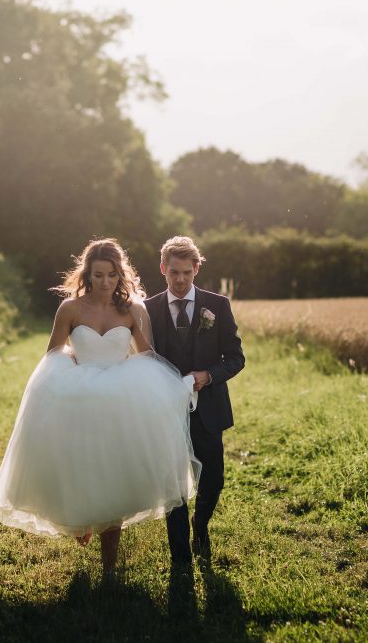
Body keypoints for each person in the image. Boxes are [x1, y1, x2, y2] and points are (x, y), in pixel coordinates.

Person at [0, 238, 200, 576]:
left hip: (118, 398)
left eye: (112, 276)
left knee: (113, 474)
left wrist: (163, 385)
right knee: (81, 467)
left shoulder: (133, 308)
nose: (105, 283)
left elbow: (146, 354)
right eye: (98, 275)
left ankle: (109, 570)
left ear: (121, 275)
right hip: (79, 395)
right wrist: (74, 368)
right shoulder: (70, 309)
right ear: (87, 274)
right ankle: (81, 520)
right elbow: (54, 352)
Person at [144, 236, 245, 565]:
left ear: (196, 269)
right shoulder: (147, 309)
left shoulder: (217, 305)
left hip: (208, 408)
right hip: (166, 410)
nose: (180, 279)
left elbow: (235, 358)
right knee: (173, 481)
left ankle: (200, 526)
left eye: (187, 272)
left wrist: (209, 376)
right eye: (174, 272)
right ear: (163, 269)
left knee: (214, 478)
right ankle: (180, 556)